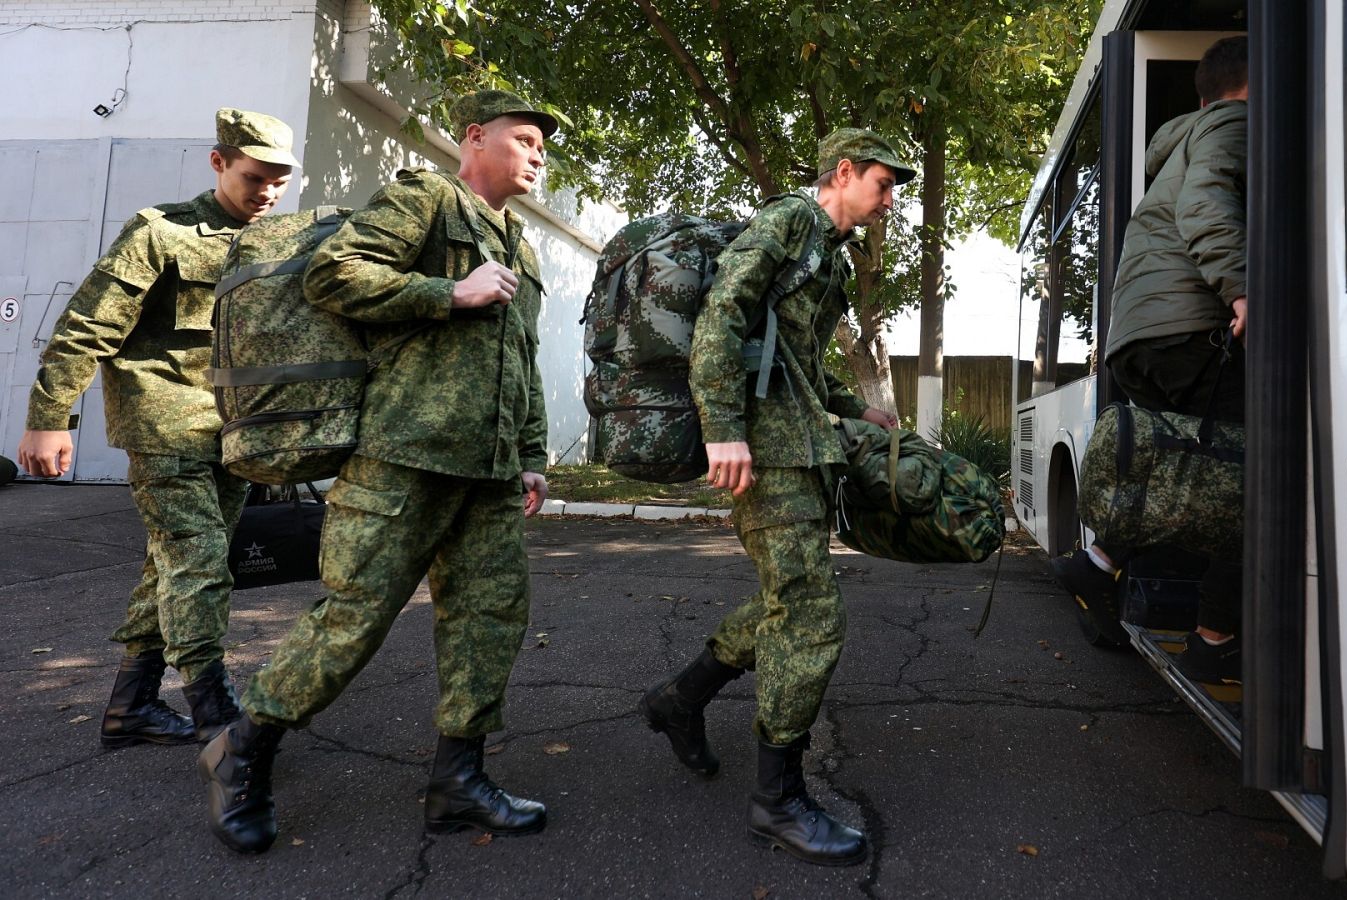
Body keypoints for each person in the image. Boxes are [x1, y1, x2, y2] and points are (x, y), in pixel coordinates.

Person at [198, 89, 556, 854]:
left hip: (487, 474)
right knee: (353, 619)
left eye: (541, 147)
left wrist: (529, 456)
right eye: (523, 140)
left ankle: (459, 779)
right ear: (475, 139)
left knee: (490, 623)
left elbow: (517, 359)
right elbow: (334, 273)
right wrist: (446, 291)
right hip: (403, 455)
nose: (537, 156)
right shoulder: (426, 200)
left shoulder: (517, 245)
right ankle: (243, 750)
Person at [639, 128, 914, 867]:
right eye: (885, 185)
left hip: (799, 444)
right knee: (813, 611)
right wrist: (722, 428)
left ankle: (681, 699)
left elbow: (794, 359)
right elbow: (721, 315)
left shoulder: (826, 247)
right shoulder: (789, 220)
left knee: (785, 600)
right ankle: (778, 800)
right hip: (765, 451)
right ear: (845, 171)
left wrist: (860, 410)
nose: (891, 202)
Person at [16, 109, 298, 747]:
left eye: (280, 180)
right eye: (256, 177)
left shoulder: (272, 241)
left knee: (171, 564)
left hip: (234, 428)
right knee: (198, 562)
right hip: (164, 422)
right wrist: (48, 420)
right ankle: (214, 712)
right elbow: (86, 327)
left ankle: (131, 707)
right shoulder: (159, 232)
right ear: (219, 162)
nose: (269, 192)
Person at [1052, 35, 1249, 685]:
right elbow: (1206, 208)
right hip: (1189, 329)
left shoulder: (1178, 144)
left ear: (1199, 92)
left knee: (1179, 472)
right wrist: (1242, 289)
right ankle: (1215, 637)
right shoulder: (1235, 122)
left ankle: (1100, 561)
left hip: (1138, 337)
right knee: (1252, 477)